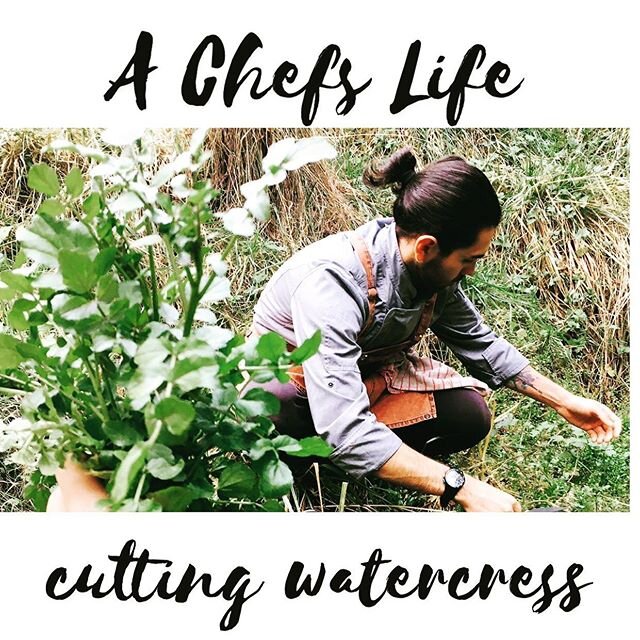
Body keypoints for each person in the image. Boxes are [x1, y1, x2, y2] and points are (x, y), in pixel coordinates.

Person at [249, 148, 622, 512]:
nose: (472, 272)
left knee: (468, 414)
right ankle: (311, 457)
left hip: (360, 383)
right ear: (427, 247)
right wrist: (462, 487)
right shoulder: (333, 282)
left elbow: (481, 343)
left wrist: (564, 401)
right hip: (290, 391)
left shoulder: (427, 273)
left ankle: (360, 457)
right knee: (283, 404)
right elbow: (344, 425)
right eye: (468, 260)